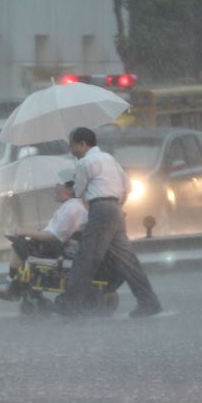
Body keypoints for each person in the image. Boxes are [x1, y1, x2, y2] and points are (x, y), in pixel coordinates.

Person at [64, 127, 162, 318]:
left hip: (100, 210)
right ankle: (149, 302)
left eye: (73, 145)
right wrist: (116, 206)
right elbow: (128, 187)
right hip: (116, 210)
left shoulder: (85, 162)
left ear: (83, 144)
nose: (71, 150)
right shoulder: (110, 159)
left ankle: (70, 306)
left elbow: (78, 190)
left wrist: (94, 204)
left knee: (86, 259)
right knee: (128, 262)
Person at [0, 180, 88, 301]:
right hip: (62, 246)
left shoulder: (72, 208)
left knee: (19, 245)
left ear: (69, 190)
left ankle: (13, 284)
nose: (55, 189)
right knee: (24, 241)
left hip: (62, 250)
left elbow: (53, 236)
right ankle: (23, 287)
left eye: (59, 186)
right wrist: (34, 233)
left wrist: (25, 232)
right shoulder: (72, 207)